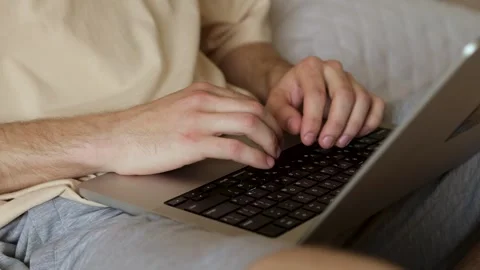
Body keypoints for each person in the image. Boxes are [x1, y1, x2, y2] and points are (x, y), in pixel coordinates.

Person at [0, 1, 479, 269]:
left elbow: (227, 31)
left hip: (256, 141)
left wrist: (280, 81)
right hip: (78, 200)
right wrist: (112, 134)